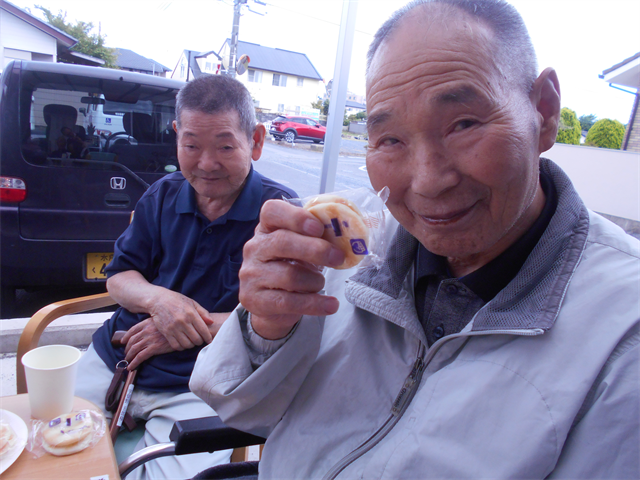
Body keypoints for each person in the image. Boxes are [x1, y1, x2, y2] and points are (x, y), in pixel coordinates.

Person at [190, 1, 640, 479]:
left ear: (543, 111)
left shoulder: (621, 335)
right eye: (390, 140)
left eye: (464, 124)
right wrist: (266, 327)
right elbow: (241, 411)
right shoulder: (345, 249)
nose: (426, 182)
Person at [74, 74, 296, 480]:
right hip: (117, 358)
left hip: (199, 385)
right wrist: (161, 302)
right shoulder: (161, 194)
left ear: (257, 141)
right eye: (191, 145)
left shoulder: (282, 215)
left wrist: (182, 326)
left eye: (225, 146)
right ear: (177, 137)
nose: (206, 164)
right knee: (51, 450)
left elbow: (288, 320)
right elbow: (120, 276)